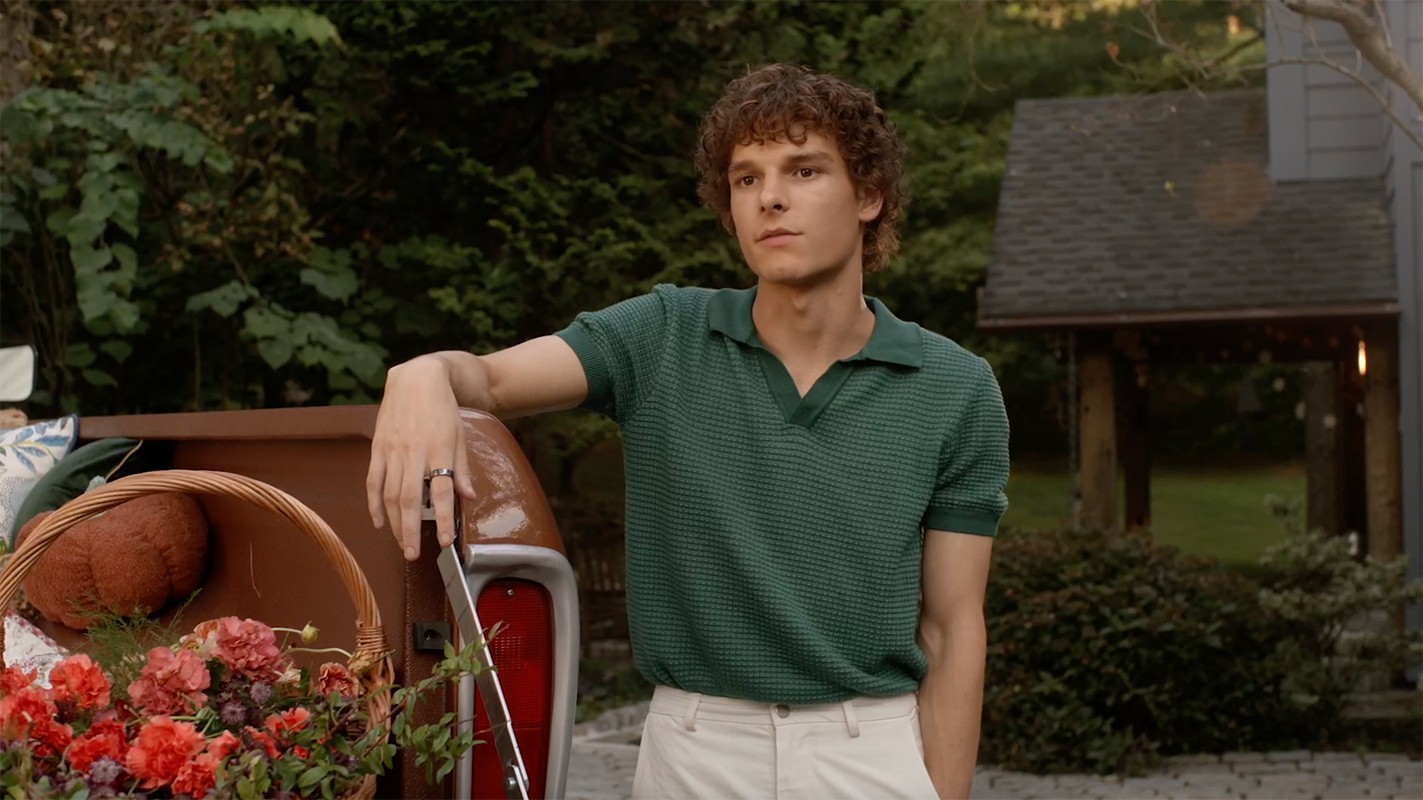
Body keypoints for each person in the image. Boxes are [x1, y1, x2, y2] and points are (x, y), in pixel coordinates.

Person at [366, 63, 1009, 800]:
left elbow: (952, 630)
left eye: (803, 170)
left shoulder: (955, 388)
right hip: (696, 750)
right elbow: (492, 380)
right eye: (746, 178)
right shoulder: (661, 336)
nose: (769, 197)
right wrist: (423, 374)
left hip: (870, 752)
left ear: (869, 195)